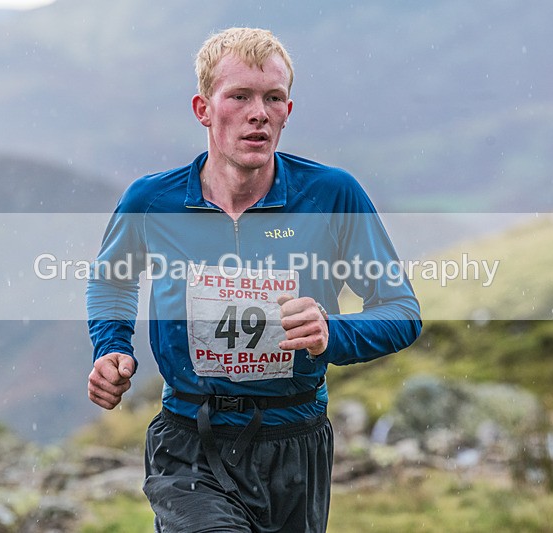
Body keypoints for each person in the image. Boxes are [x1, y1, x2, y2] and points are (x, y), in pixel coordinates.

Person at [86, 27, 422, 532]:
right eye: (239, 96)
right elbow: (112, 282)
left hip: (295, 443)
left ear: (288, 110)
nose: (258, 112)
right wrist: (110, 346)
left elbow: (401, 311)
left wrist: (333, 333)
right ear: (203, 108)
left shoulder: (331, 195)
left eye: (273, 98)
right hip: (190, 444)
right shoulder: (151, 201)